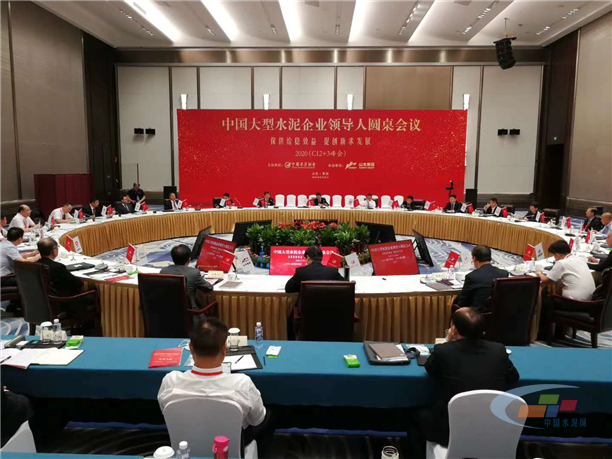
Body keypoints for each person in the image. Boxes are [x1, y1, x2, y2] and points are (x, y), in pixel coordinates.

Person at [158, 318, 274, 457]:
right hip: (231, 446)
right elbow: (257, 419)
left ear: (190, 348)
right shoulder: (242, 384)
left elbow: (166, 413)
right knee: (268, 417)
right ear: (224, 349)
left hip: (185, 449)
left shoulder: (170, 381)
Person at [412, 308, 519, 453]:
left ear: (454, 329)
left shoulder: (444, 351)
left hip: (449, 433)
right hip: (493, 430)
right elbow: (514, 377)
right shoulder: (498, 350)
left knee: (414, 416)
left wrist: (447, 341)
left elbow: (430, 368)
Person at [538, 240, 597, 339]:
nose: (554, 258)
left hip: (574, 302)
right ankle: (558, 332)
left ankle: (546, 334)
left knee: (545, 301)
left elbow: (545, 280)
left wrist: (539, 272)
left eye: (554, 255)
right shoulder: (580, 259)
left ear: (557, 254)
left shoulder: (562, 263)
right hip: (590, 301)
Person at [285, 246, 344, 312]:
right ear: (321, 258)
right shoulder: (332, 271)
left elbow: (288, 288)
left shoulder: (301, 271)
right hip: (330, 311)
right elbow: (346, 285)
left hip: (306, 312)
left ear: (308, 257)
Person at [454, 245, 509, 311]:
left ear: (474, 258)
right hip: (497, 313)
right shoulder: (504, 274)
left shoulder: (472, 277)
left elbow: (462, 303)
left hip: (476, 314)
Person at [160, 244, 213, 309]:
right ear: (189, 260)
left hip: (168, 310)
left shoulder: (163, 271)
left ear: (172, 259)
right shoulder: (194, 273)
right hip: (190, 312)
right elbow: (208, 288)